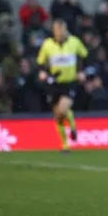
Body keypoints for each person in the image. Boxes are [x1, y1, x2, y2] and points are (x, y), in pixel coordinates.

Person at [36, 20, 87, 153]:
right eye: (57, 30)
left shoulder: (74, 42)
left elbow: (84, 56)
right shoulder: (47, 44)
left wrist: (81, 71)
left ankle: (73, 126)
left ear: (66, 30)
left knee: (62, 109)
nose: (59, 32)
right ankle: (65, 145)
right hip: (54, 83)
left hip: (69, 82)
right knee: (57, 115)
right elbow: (41, 62)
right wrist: (43, 72)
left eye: (61, 29)